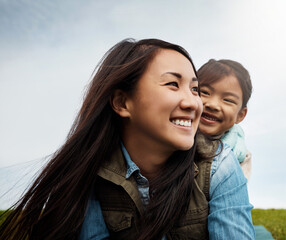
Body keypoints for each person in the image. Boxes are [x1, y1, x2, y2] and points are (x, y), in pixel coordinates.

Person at [0, 39, 255, 239]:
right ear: (123, 102)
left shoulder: (220, 164)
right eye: (172, 85)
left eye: (194, 89)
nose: (194, 102)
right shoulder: (92, 173)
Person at [197, 59, 253, 180]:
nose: (213, 105)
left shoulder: (238, 155)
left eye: (228, 100)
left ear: (241, 115)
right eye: (205, 92)